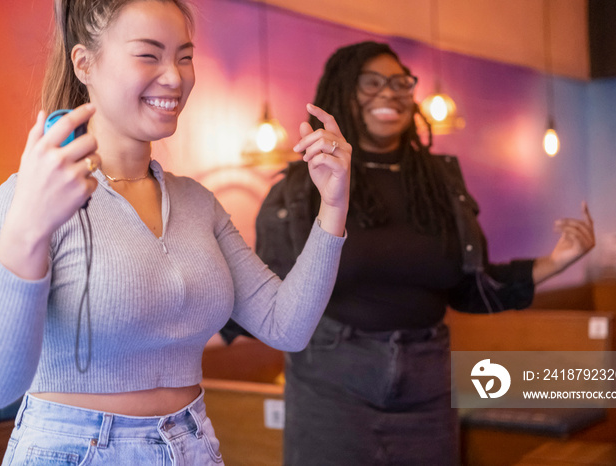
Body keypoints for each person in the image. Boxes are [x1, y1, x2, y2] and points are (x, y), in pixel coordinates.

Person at [0, 1, 352, 464]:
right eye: (149, 55)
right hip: (73, 449)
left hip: (191, 443)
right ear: (85, 63)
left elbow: (286, 325)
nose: (174, 76)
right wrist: (27, 228)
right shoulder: (27, 196)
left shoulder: (197, 202)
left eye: (184, 57)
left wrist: (333, 205)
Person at [219, 40, 595, 465]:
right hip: (332, 384)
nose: (390, 93)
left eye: (400, 83)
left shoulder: (439, 184)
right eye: (372, 83)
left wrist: (558, 260)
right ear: (342, 92)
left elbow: (471, 287)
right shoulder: (302, 189)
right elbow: (272, 297)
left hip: (428, 382)